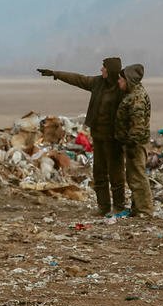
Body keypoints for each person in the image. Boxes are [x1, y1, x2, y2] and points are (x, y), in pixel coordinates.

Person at [36, 57, 125, 215]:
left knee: (116, 175)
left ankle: (118, 207)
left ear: (111, 70)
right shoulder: (98, 83)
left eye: (103, 67)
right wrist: (56, 73)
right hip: (98, 136)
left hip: (114, 139)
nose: (101, 69)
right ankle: (103, 207)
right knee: (99, 173)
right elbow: (78, 79)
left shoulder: (122, 87)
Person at [115, 63, 154, 217]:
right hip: (133, 143)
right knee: (133, 176)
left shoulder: (136, 98)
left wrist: (131, 144)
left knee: (138, 176)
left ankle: (145, 210)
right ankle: (138, 207)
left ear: (129, 80)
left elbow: (137, 126)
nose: (119, 82)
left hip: (136, 144)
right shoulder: (132, 94)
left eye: (121, 79)